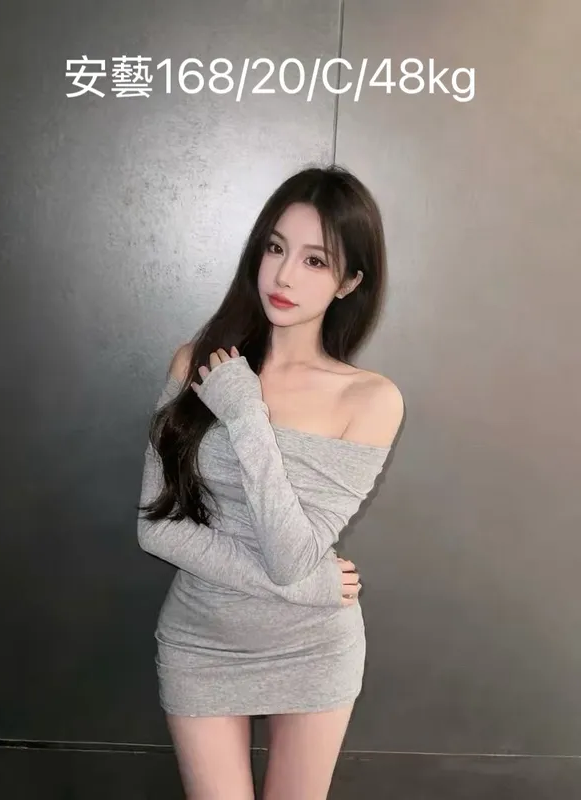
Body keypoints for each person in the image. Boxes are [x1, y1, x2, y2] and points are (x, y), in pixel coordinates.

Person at [136, 164, 404, 800]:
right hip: (202, 642)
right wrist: (310, 585)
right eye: (276, 248)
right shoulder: (196, 362)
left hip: (312, 649)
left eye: (316, 261)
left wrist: (246, 414)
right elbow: (156, 529)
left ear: (350, 281)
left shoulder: (370, 400)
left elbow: (290, 554)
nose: (284, 276)